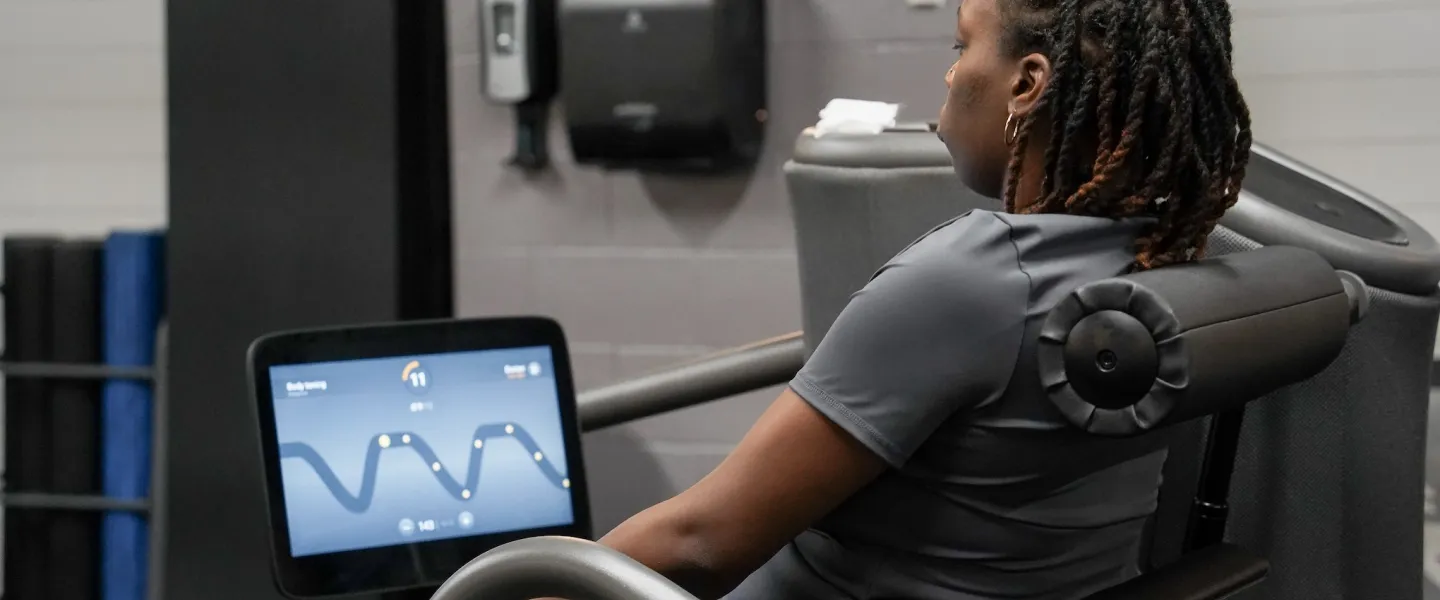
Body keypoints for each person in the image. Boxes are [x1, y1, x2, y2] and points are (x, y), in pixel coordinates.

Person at [590, 0, 1252, 598]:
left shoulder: (975, 280)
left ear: (1026, 84)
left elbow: (701, 546)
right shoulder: (1162, 255)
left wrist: (508, 583)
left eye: (962, 46)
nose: (949, 75)